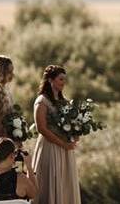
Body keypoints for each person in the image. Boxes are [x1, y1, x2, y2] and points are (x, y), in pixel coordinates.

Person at [31, 65, 80, 204]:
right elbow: (42, 128)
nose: (63, 82)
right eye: (60, 79)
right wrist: (63, 144)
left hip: (65, 150)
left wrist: (76, 132)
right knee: (50, 181)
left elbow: (70, 124)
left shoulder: (64, 102)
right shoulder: (42, 101)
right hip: (50, 147)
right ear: (51, 80)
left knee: (65, 183)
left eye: (64, 79)